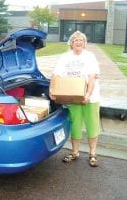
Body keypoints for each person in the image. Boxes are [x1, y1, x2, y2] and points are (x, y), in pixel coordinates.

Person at [49, 30, 100, 167]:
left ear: (84, 43)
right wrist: (51, 90)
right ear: (71, 43)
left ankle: (92, 153)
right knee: (75, 125)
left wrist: (88, 94)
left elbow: (92, 77)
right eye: (76, 40)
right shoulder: (65, 57)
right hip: (72, 97)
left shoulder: (90, 56)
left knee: (92, 125)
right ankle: (75, 152)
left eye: (81, 40)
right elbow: (56, 75)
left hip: (91, 97)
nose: (78, 42)